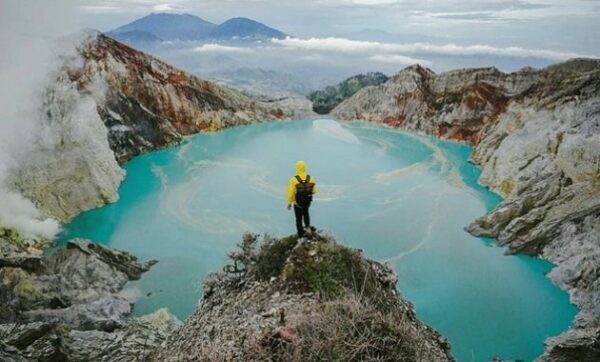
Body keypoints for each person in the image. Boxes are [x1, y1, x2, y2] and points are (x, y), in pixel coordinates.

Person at [286, 160, 317, 238]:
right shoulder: (311, 178)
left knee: (298, 219)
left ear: (297, 168)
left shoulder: (293, 180)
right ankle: (308, 228)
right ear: (304, 167)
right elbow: (314, 191)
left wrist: (289, 203)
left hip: (298, 203)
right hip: (307, 202)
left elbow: (290, 192)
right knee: (306, 213)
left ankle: (301, 236)